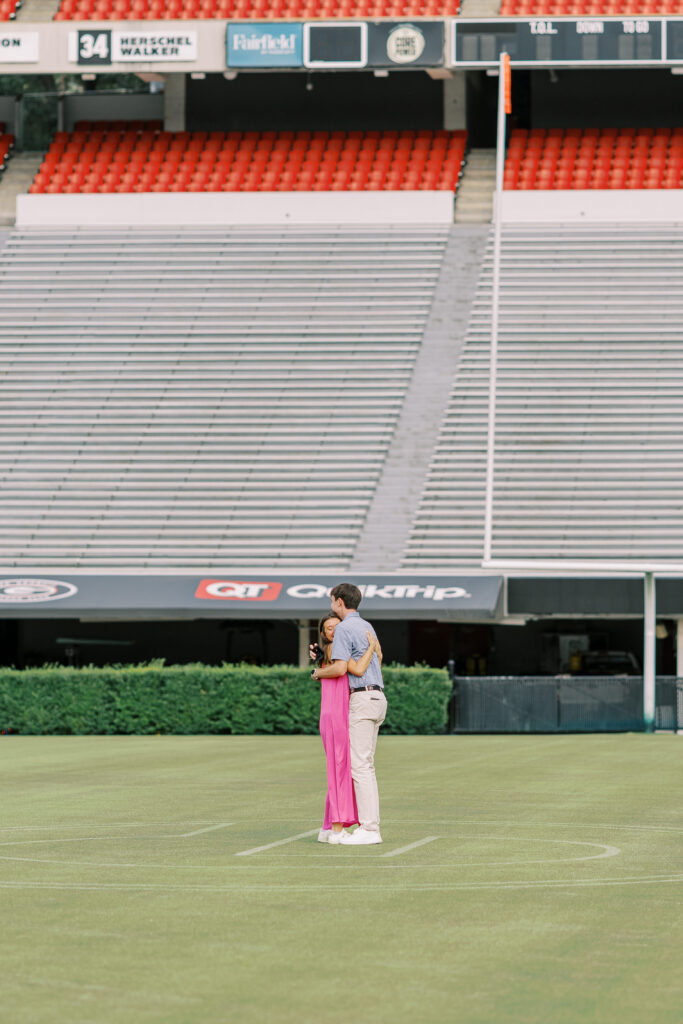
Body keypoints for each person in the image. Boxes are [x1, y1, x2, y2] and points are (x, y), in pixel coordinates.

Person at [314, 582, 387, 846]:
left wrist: (317, 672)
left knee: (360, 767)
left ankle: (369, 828)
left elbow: (343, 668)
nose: (331, 605)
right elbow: (378, 654)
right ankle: (368, 826)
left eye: (332, 601)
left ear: (339, 602)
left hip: (362, 698)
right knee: (365, 764)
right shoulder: (367, 625)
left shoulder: (344, 628)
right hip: (378, 697)